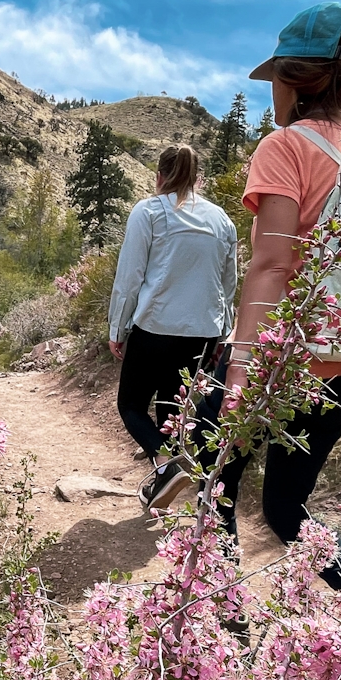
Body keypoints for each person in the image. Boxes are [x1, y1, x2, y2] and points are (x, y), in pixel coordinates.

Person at [214, 0, 341, 590]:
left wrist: (240, 369)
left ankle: (218, 637)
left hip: (282, 360)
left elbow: (271, 264)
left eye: (274, 79)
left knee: (208, 485)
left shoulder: (285, 148)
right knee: (286, 509)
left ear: (292, 79)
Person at [108, 144, 240, 511]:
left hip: (156, 328)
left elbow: (129, 278)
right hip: (202, 333)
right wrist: (222, 333)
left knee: (131, 405)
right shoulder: (222, 221)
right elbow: (228, 284)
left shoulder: (148, 212)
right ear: (198, 178)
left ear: (159, 177)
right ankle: (164, 485)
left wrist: (118, 328)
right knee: (171, 408)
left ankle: (166, 466)